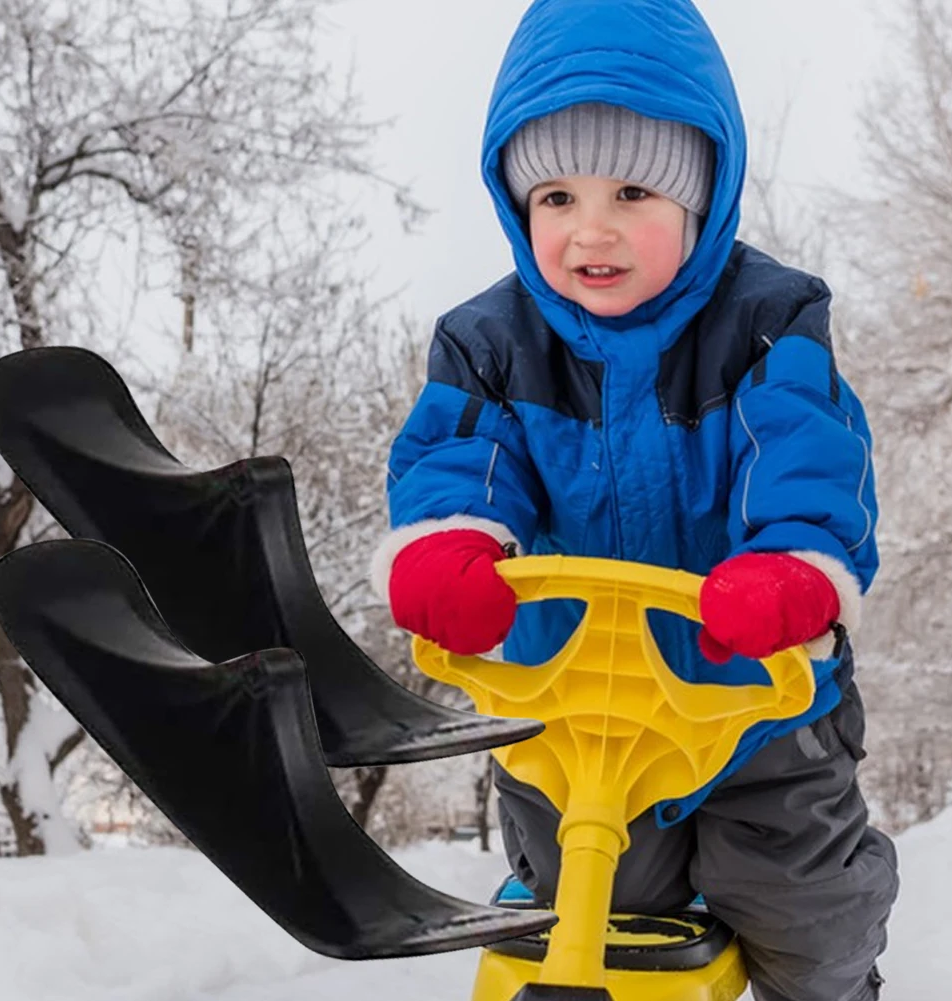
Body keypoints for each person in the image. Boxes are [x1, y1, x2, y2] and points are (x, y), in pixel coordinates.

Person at [369, 1, 898, 998]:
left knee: (799, 909)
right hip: (575, 713)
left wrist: (789, 565)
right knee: (594, 899)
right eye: (555, 195)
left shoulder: (767, 323)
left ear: (701, 197)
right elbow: (460, 461)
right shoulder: (488, 345)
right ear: (516, 205)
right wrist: (448, 547)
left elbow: (805, 455)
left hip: (753, 699)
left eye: (632, 190)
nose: (590, 228)